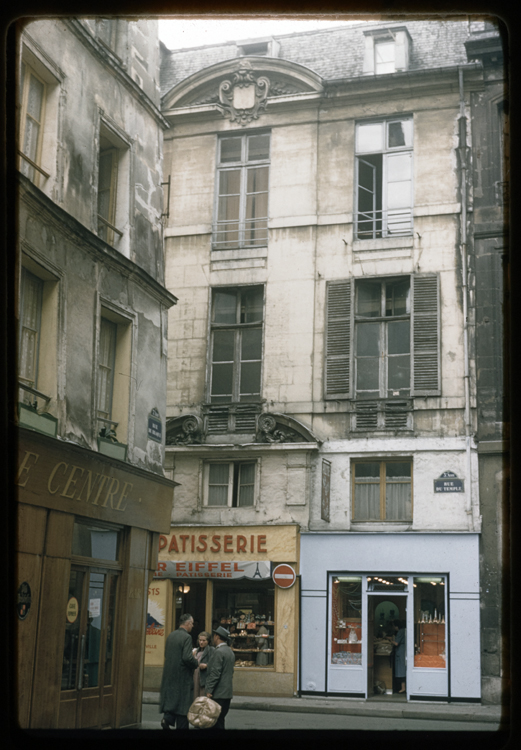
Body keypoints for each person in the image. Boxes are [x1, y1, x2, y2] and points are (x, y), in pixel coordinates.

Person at [159, 613, 199, 730]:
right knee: (183, 706)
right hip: (182, 676)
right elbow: (187, 657)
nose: (192, 626)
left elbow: (167, 654)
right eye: (191, 623)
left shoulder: (171, 635)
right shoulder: (187, 637)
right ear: (187, 624)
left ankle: (167, 719)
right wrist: (195, 662)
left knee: (173, 701)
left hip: (170, 674)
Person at [205, 626, 235, 730]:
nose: (213, 638)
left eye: (214, 636)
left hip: (218, 693)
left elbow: (215, 673)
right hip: (227, 692)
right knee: (220, 720)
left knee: (215, 722)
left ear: (217, 636)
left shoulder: (219, 652)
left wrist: (209, 690)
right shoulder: (229, 651)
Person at [193, 631, 214, 698]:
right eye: (200, 640)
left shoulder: (211, 650)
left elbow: (214, 663)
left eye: (204, 640)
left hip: (203, 677)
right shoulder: (196, 651)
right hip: (195, 676)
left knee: (202, 697)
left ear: (208, 641)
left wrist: (207, 665)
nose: (201, 642)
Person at [389, 619, 406, 693]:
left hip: (401, 652)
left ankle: (403, 688)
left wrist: (390, 641)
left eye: (393, 626)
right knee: (403, 669)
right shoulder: (404, 630)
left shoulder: (400, 631)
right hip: (403, 651)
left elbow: (396, 643)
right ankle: (403, 687)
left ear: (396, 626)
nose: (393, 628)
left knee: (401, 670)